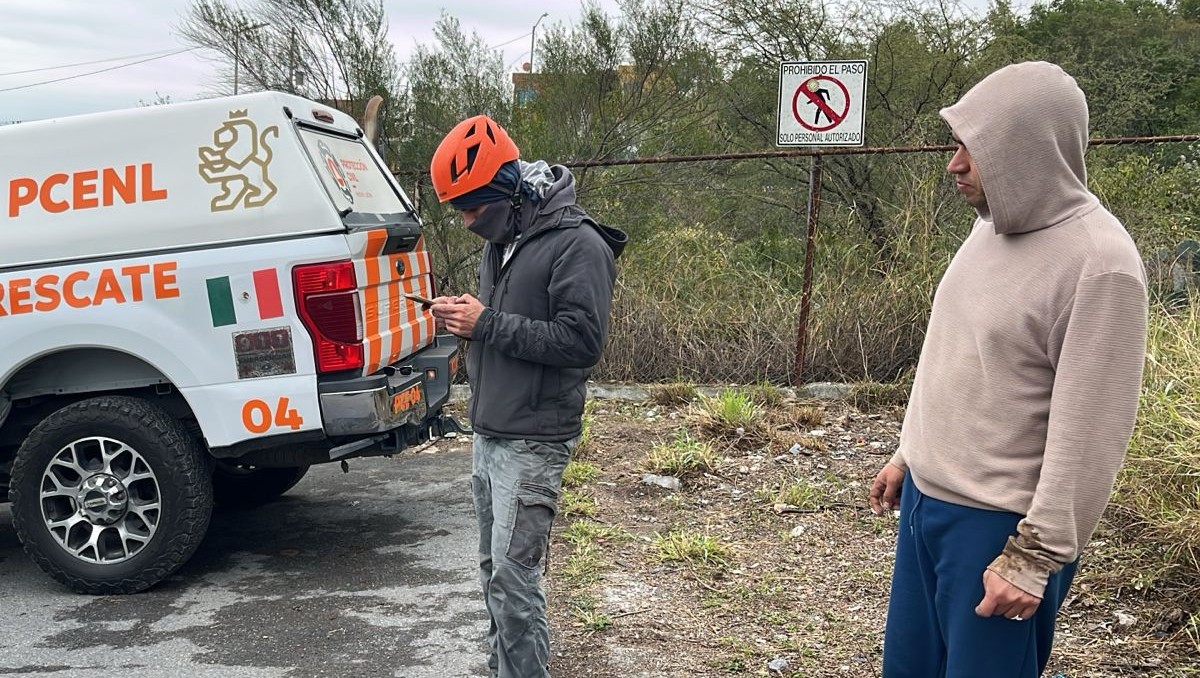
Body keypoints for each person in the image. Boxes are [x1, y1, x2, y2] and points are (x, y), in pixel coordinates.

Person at [868, 61, 1148, 677]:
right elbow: (954, 352)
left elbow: (1092, 434)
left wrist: (1032, 558)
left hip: (999, 530)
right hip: (925, 508)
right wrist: (908, 455)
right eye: (956, 144)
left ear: (1027, 151)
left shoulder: (1100, 264)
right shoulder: (989, 227)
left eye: (974, 147)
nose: (955, 164)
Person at [426, 114, 626, 678]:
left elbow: (581, 342)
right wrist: (464, 318)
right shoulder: (503, 240)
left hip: (534, 439)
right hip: (490, 430)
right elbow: (505, 323)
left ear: (509, 190)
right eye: (458, 209)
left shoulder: (579, 244)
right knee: (495, 573)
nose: (466, 221)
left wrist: (486, 323)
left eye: (473, 208)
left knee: (515, 582)